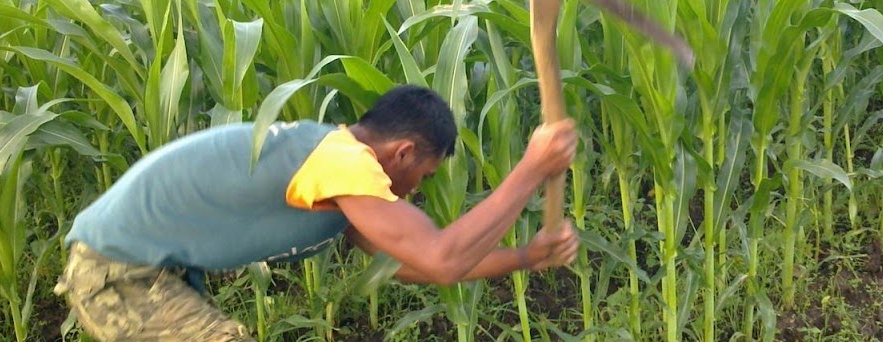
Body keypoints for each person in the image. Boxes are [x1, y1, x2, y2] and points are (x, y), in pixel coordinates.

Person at [54, 85, 580, 341]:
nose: (415, 193)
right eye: (422, 177)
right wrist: (532, 168)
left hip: (147, 271)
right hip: (119, 271)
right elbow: (441, 257)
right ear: (400, 152)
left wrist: (527, 257)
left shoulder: (337, 177)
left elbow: (413, 266)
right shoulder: (341, 160)